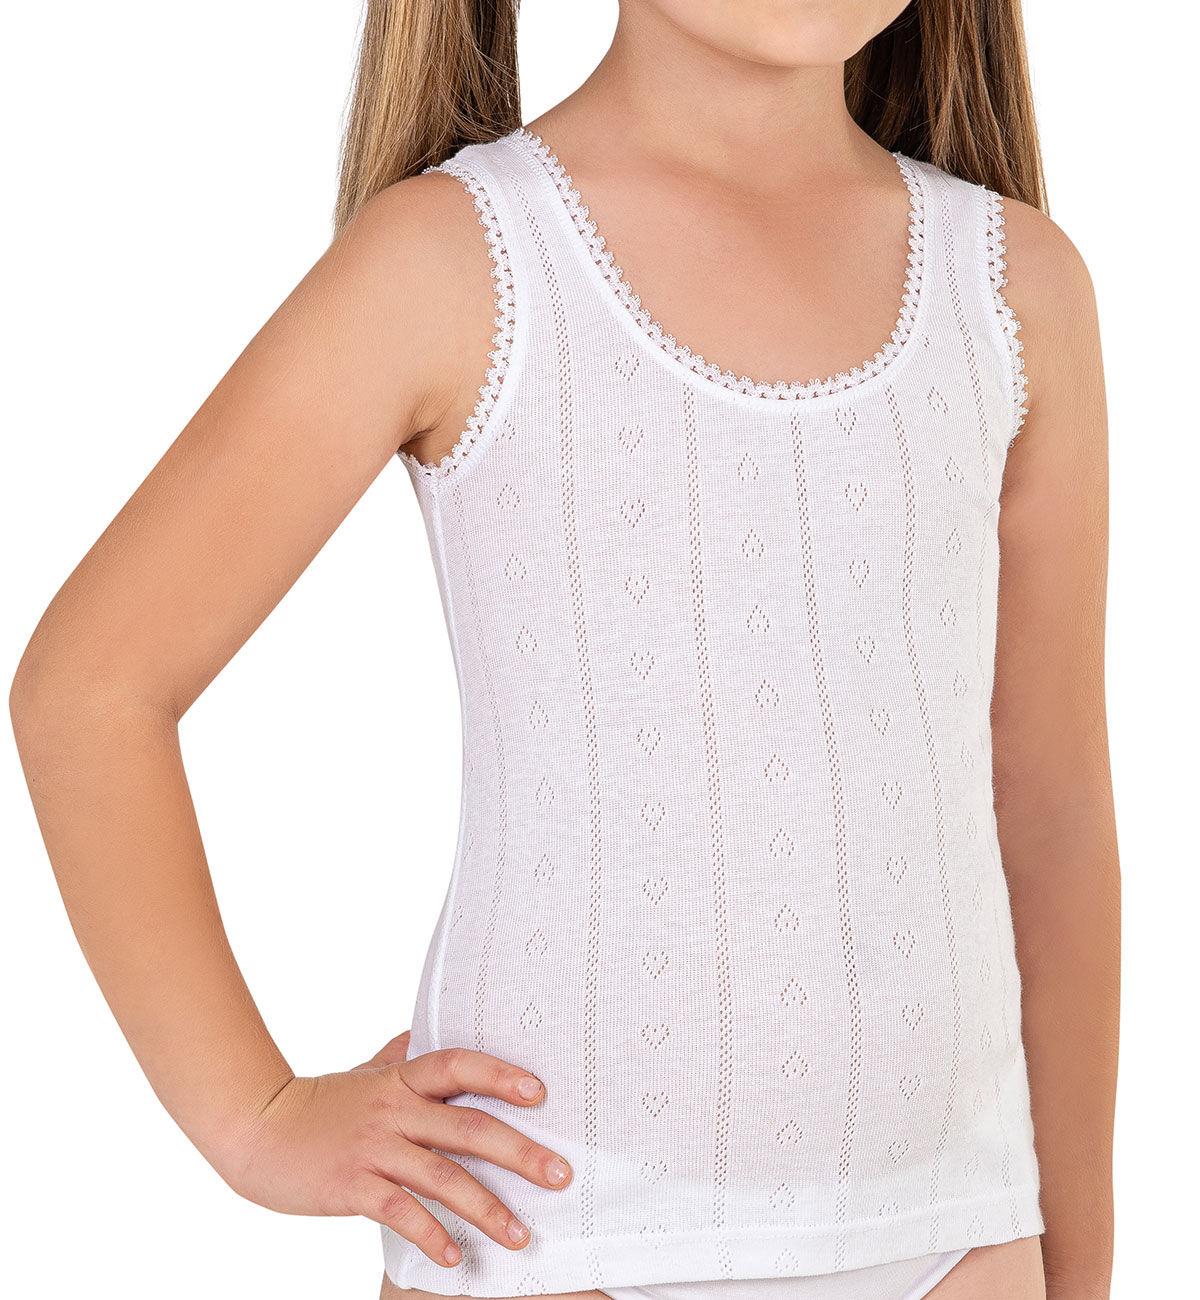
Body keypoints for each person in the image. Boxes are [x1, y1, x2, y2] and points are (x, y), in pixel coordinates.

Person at [9, 2, 1120, 1299]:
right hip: (551, 1227)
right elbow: (91, 688)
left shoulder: (1014, 287)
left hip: (955, 1230)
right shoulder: (458, 259)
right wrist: (254, 1119)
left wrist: (1083, 1265)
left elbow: (1049, 809)